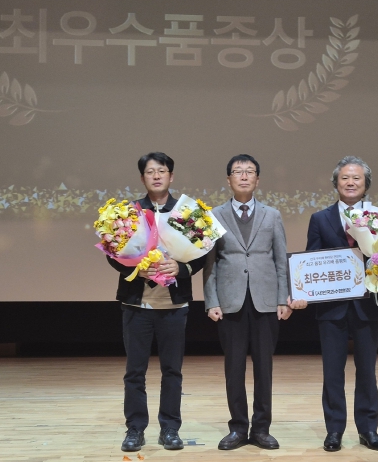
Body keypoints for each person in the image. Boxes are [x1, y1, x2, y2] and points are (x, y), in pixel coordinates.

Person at [106, 152, 206, 452]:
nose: (157, 176)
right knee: (135, 372)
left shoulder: (187, 213)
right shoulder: (129, 213)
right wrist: (135, 268)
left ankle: (170, 429)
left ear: (171, 176)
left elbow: (202, 255)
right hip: (137, 305)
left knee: (172, 371)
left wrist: (181, 268)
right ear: (143, 178)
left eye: (162, 171)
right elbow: (113, 254)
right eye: (150, 172)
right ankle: (135, 429)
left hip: (174, 306)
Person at [203, 153, 300, 450]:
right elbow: (210, 263)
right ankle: (237, 428)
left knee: (263, 369)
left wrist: (284, 298)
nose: (244, 176)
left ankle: (261, 429)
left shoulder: (272, 215)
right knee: (233, 368)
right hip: (230, 301)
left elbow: (280, 259)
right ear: (228, 179)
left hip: (265, 301)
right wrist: (211, 300)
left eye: (249, 171)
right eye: (238, 171)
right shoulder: (214, 215)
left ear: (257, 179)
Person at [306, 156, 378, 452]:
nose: (350, 182)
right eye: (345, 178)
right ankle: (334, 430)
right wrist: (304, 290)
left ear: (366, 184)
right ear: (335, 183)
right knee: (332, 372)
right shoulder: (320, 219)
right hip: (332, 308)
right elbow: (311, 260)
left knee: (367, 371)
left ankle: (368, 430)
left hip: (368, 305)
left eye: (356, 178)